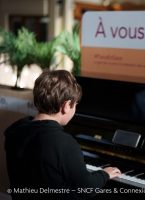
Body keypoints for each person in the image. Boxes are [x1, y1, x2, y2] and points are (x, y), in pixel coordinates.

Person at [4, 70, 121, 200]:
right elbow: (87, 187)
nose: (75, 110)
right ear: (66, 106)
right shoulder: (63, 143)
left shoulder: (15, 130)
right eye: (75, 105)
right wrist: (104, 174)